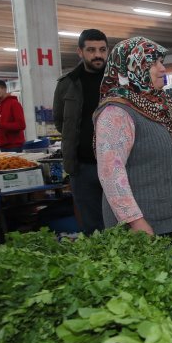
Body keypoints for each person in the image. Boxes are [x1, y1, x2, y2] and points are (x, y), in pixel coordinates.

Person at [94, 37, 172, 236]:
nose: (162, 69)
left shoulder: (162, 105)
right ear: (132, 68)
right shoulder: (116, 112)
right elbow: (110, 173)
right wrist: (136, 222)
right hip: (143, 231)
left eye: (161, 62)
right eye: (152, 63)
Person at [53, 29, 109, 234]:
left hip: (118, 165)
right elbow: (60, 122)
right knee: (92, 226)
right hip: (83, 168)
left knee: (122, 222)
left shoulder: (119, 82)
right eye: (91, 50)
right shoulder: (67, 84)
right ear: (80, 52)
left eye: (102, 50)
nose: (98, 55)